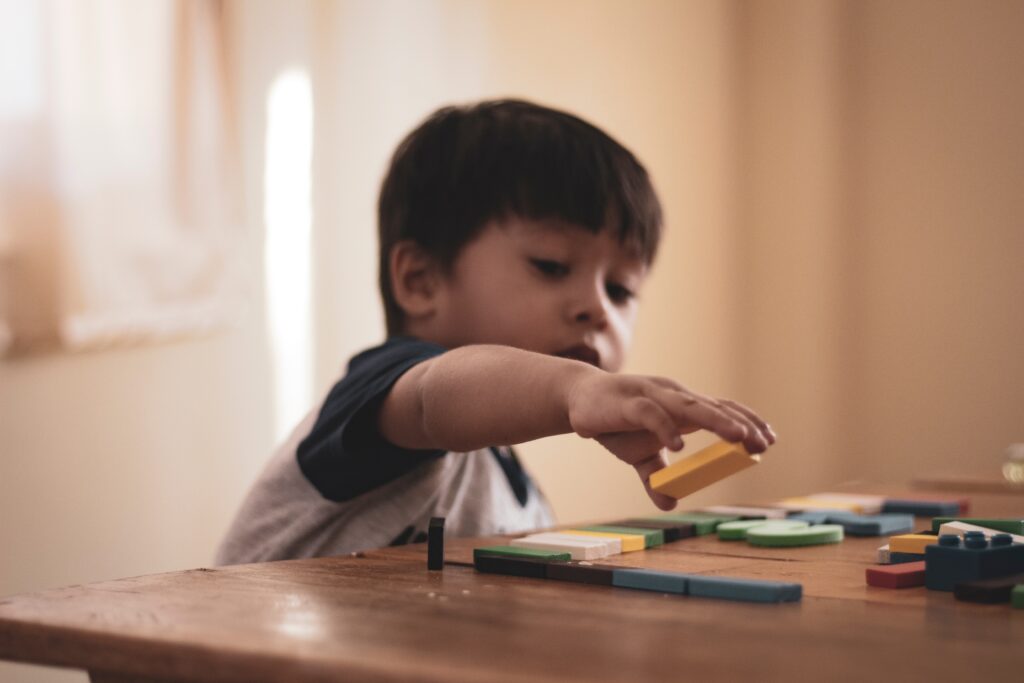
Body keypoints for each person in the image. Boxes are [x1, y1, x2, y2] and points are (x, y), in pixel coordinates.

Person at [215, 99, 775, 564]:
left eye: (621, 289)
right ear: (421, 281)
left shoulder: (517, 494)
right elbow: (437, 398)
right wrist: (573, 387)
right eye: (552, 266)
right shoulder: (387, 397)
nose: (597, 308)